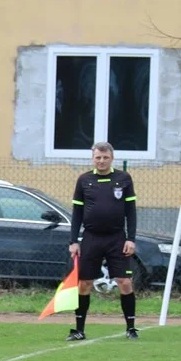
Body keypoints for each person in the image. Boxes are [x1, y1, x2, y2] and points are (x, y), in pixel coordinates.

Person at [67, 141, 139, 341]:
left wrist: (131, 239)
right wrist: (74, 241)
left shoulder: (123, 179)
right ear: (93, 158)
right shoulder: (84, 180)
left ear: (111, 158)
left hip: (117, 238)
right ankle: (79, 330)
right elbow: (77, 213)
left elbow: (131, 212)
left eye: (105, 157)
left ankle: (131, 328)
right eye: (98, 157)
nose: (101, 161)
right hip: (91, 238)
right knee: (84, 284)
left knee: (124, 282)